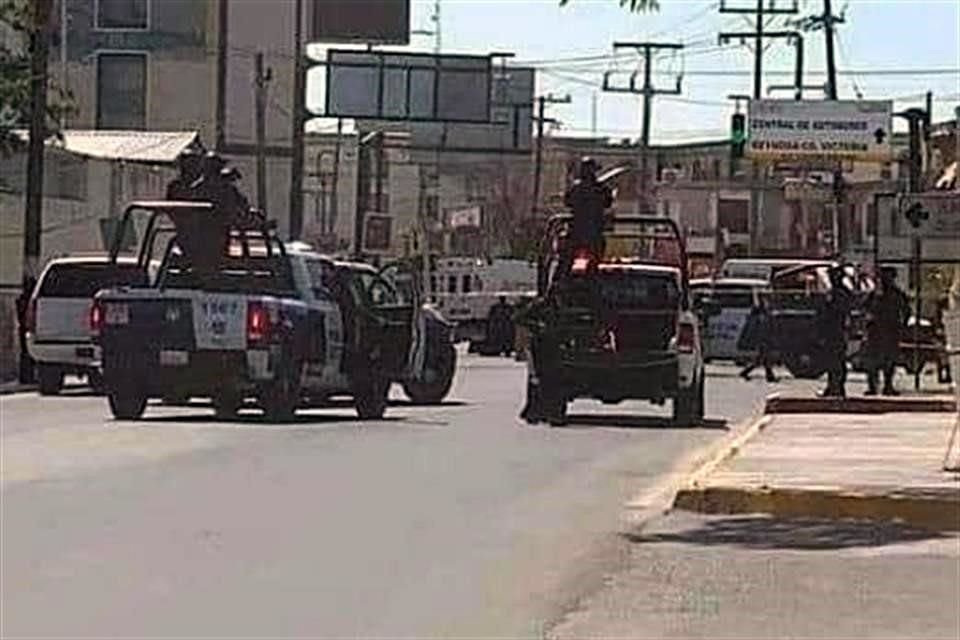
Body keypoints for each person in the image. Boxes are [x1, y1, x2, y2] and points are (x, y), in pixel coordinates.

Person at [518, 293, 566, 426]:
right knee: (539, 379)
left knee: (554, 380)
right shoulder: (542, 305)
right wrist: (537, 326)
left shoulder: (565, 305)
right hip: (541, 345)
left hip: (557, 346)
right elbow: (519, 317)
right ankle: (535, 412)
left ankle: (553, 413)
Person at [863, 266, 910, 396]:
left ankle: (888, 386)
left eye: (888, 277)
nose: (884, 280)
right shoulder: (875, 294)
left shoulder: (896, 294)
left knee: (889, 360)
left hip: (890, 330)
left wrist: (902, 325)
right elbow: (865, 308)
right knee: (872, 361)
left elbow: (906, 310)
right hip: (876, 331)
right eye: (883, 277)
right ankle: (873, 387)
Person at [562, 157, 613, 269]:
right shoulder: (602, 189)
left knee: (564, 265)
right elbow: (608, 202)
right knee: (596, 262)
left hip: (577, 234)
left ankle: (560, 278)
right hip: (594, 235)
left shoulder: (575, 188)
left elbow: (567, 202)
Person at [816, 265, 854, 398]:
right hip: (832, 332)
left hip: (836, 332)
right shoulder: (836, 293)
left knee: (836, 361)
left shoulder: (840, 294)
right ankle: (833, 387)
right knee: (832, 361)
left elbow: (835, 314)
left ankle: (837, 387)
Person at [738, 295, 778, 383]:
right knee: (763, 359)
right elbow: (763, 329)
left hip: (765, 339)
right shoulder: (761, 315)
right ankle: (769, 375)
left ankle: (767, 375)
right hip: (764, 340)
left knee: (761, 359)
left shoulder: (765, 314)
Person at [15, 275, 37, 384]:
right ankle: (27, 377)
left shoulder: (22, 300)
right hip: (27, 328)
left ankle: (26, 377)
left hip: (25, 329)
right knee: (26, 353)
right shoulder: (26, 301)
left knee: (25, 352)